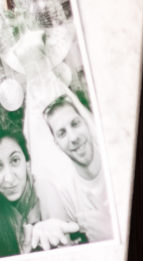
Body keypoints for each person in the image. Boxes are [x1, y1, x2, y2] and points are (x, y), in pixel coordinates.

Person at [42, 95, 113, 243]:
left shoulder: (117, 158)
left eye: (75, 124)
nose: (73, 137)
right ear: (57, 144)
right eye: (62, 133)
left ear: (86, 123)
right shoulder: (65, 192)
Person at [0, 127, 80, 252]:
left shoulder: (44, 190)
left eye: (15, 161)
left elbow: (67, 252)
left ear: (27, 163)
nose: (9, 178)